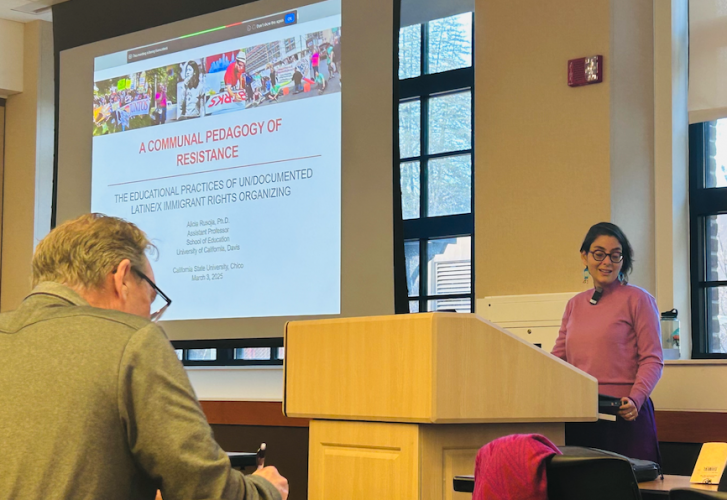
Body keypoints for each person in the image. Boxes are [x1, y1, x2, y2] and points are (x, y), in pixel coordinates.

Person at [0, 214, 289, 500]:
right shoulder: (135, 341)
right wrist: (266, 490)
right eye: (152, 298)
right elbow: (207, 494)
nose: (151, 316)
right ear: (123, 277)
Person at [551, 222, 663, 463]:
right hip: (582, 416)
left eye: (615, 255)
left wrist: (636, 399)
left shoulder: (639, 300)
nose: (607, 262)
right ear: (585, 256)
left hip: (625, 415)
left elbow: (652, 359)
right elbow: (557, 361)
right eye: (599, 254)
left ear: (623, 260)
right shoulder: (574, 305)